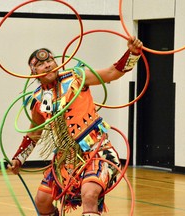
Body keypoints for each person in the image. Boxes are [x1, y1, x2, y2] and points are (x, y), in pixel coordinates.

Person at [8, 36, 143, 216]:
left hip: (96, 151)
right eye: (41, 64)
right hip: (65, 159)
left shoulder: (76, 77)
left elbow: (112, 72)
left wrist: (133, 53)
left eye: (50, 60)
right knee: (42, 202)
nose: (48, 65)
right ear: (33, 73)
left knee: (89, 195)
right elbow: (34, 134)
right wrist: (19, 158)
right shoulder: (37, 99)